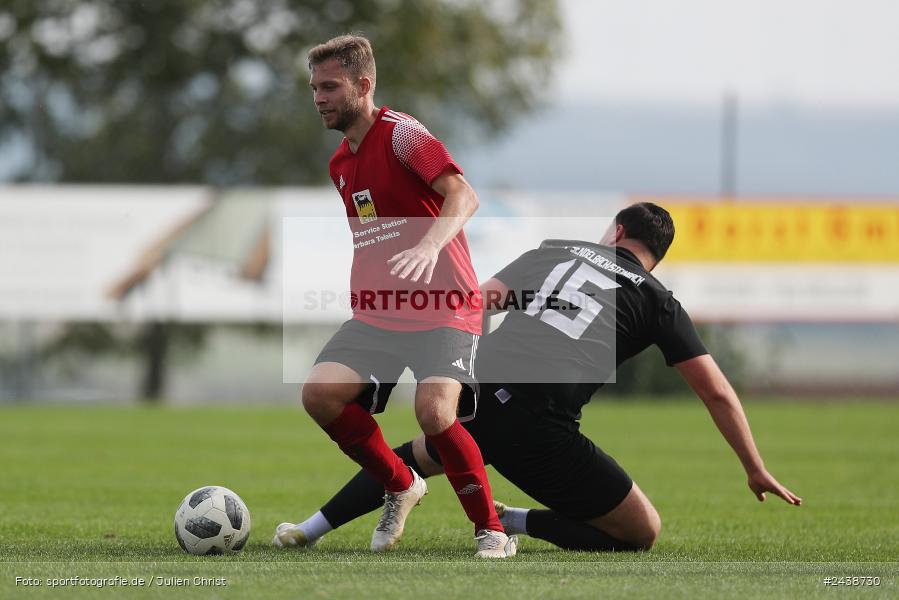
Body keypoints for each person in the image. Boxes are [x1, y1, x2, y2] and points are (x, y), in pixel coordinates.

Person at [275, 202, 802, 552]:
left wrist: (465, 371)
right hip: (541, 431)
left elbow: (477, 302)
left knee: (415, 458)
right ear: (654, 259)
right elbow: (716, 391)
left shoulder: (555, 251)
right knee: (642, 532)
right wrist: (754, 468)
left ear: (616, 231)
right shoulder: (657, 300)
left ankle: (312, 529)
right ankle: (512, 523)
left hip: (481, 398)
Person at [274, 34, 514, 558]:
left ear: (364, 85)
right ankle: (402, 483)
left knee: (434, 413)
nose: (319, 97)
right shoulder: (340, 164)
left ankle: (491, 529)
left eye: (331, 86)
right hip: (380, 313)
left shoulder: (404, 135)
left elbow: (463, 195)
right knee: (319, 395)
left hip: (445, 306)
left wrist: (429, 246)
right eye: (315, 87)